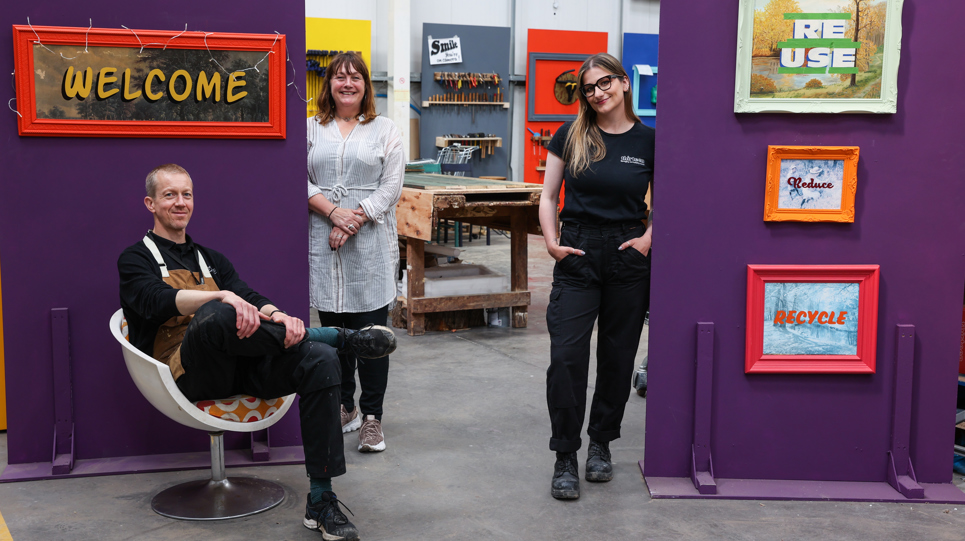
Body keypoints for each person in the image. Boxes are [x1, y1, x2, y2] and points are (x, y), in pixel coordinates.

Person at [119, 164, 396, 540]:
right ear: (151, 203)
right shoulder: (135, 259)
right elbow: (153, 300)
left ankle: (321, 499)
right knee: (216, 312)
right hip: (188, 373)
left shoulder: (210, 258)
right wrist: (219, 296)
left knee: (320, 360)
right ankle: (336, 335)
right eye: (170, 195)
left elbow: (249, 297)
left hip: (242, 364)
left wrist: (279, 315)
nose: (180, 202)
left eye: (186, 194)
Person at [538, 53, 655, 500]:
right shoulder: (571, 134)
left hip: (628, 255)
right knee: (566, 357)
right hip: (578, 251)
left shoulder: (649, 140)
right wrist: (551, 243)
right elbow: (549, 196)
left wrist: (648, 238)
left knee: (617, 358)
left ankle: (600, 444)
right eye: (589, 88)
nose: (598, 93)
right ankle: (565, 453)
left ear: (624, 83)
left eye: (605, 83)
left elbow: (665, 200)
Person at [307, 52, 405, 453]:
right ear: (328, 84)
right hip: (322, 237)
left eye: (355, 78)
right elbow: (295, 177)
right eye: (339, 77)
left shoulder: (385, 129)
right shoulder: (311, 128)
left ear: (367, 86)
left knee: (370, 333)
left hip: (371, 242)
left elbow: (392, 184)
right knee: (334, 330)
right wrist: (332, 212)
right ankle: (344, 405)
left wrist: (354, 219)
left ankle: (372, 417)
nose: (347, 84)